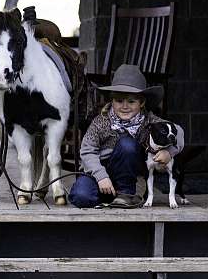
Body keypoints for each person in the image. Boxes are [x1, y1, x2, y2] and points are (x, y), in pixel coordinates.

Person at [69, 64, 184, 208]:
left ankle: (126, 194)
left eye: (131, 101)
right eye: (119, 101)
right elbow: (87, 151)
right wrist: (101, 176)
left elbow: (178, 131)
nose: (125, 106)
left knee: (127, 144)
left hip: (128, 173)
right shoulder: (101, 122)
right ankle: (109, 195)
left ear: (141, 103)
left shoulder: (149, 121)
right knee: (81, 197)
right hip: (99, 171)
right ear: (112, 101)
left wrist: (169, 151)